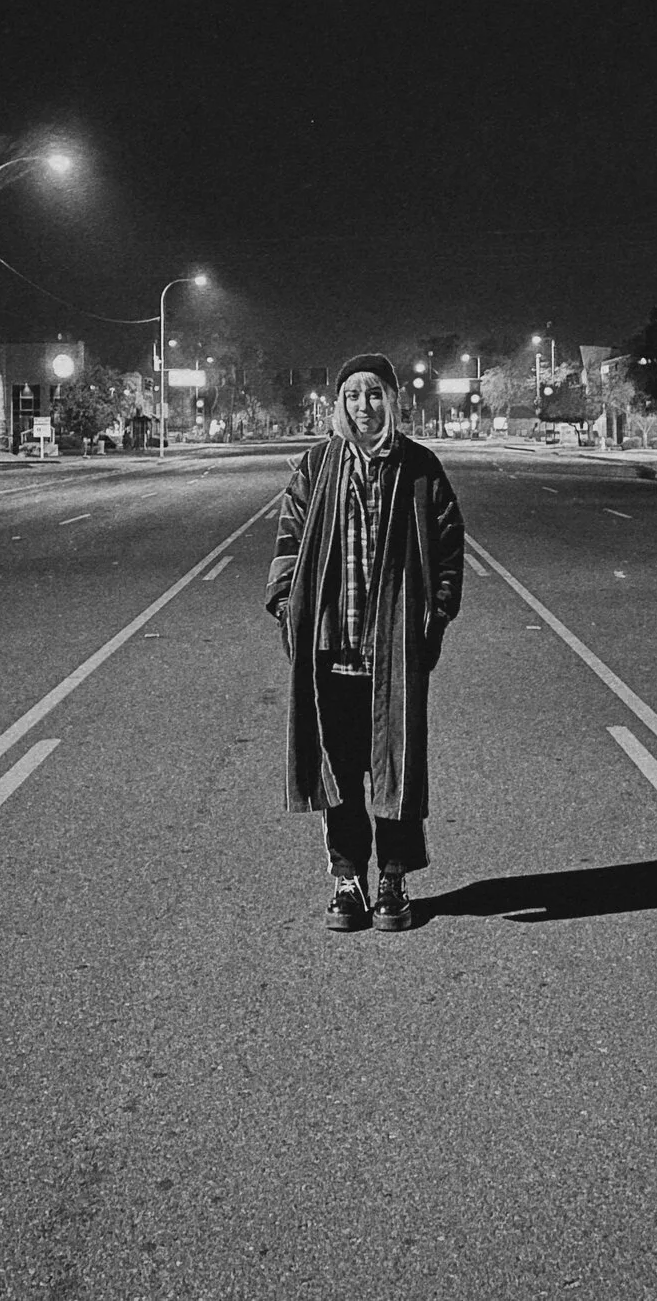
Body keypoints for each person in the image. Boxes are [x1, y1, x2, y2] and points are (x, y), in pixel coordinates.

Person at [264, 353, 465, 933]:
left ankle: (393, 878)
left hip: (394, 649)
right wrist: (286, 605)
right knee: (341, 769)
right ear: (340, 404)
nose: (363, 406)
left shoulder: (419, 467)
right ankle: (347, 876)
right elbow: (289, 539)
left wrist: (436, 614)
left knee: (395, 766)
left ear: (391, 400)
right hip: (331, 648)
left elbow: (448, 544)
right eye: (352, 395)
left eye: (374, 394)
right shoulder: (318, 465)